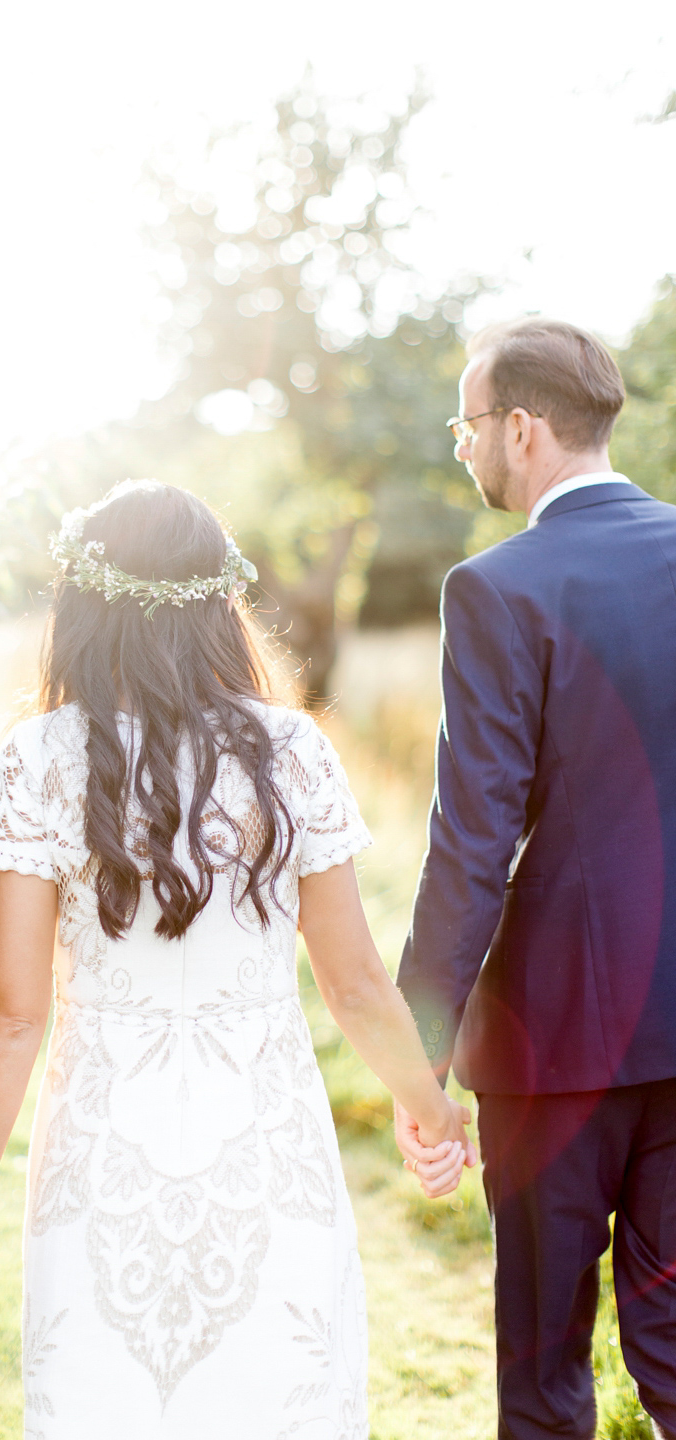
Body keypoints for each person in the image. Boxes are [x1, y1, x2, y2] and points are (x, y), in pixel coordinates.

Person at [0, 480, 470, 1438]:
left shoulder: (40, 757)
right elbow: (351, 981)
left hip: (103, 1152)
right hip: (261, 1136)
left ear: (84, 608)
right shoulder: (291, 750)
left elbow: (16, 1013)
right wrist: (429, 1109)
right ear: (222, 606)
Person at [394, 318, 676, 1440]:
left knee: (547, 1359)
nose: (464, 450)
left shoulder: (499, 587)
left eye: (468, 426)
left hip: (557, 1045)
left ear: (521, 426)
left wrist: (419, 1041)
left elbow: (475, 836)